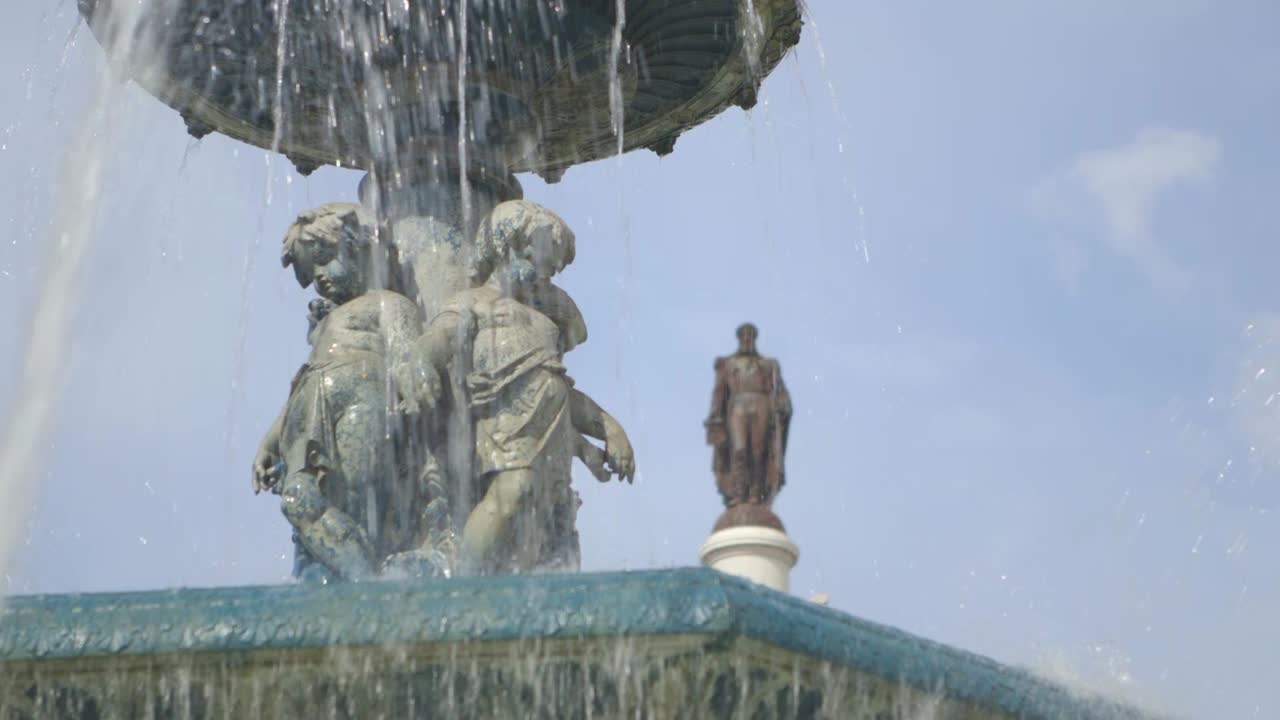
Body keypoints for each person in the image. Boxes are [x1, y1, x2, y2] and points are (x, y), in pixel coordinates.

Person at [409, 199, 634, 574]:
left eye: (555, 262)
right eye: (545, 256)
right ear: (510, 245)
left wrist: (609, 428)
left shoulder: (544, 322)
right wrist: (419, 367)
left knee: (545, 519)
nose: (550, 269)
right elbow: (435, 343)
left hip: (552, 433)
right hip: (508, 424)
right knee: (512, 492)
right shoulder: (473, 304)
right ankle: (462, 578)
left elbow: (557, 384)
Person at [252, 203, 423, 580]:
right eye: (311, 272)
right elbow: (303, 378)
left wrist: (412, 396)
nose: (319, 278)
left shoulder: (388, 303)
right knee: (297, 498)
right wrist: (271, 439)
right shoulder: (328, 322)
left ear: (360, 249)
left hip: (362, 399)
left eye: (326, 260)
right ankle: (362, 578)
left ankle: (369, 578)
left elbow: (406, 354)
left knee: (361, 495)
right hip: (310, 412)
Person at [706, 323, 791, 508]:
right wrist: (715, 418)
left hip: (761, 405)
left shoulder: (768, 365)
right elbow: (719, 393)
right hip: (737, 406)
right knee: (739, 449)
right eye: (744, 336)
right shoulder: (728, 364)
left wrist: (782, 405)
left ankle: (755, 492)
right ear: (739, 339)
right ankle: (738, 492)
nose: (747, 340)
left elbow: (780, 393)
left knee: (758, 451)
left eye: (750, 336)